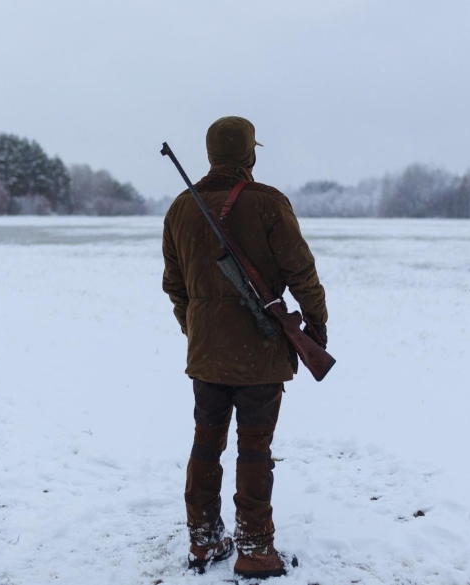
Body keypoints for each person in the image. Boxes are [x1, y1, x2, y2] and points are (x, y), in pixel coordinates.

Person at [161, 116, 328, 579]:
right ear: (250, 154)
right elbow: (303, 275)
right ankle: (255, 550)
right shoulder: (269, 203)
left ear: (212, 153)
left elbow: (175, 287)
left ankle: (204, 541)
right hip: (261, 355)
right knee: (254, 449)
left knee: (205, 443)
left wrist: (196, 332)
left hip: (205, 356)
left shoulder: (180, 208)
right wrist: (316, 327)